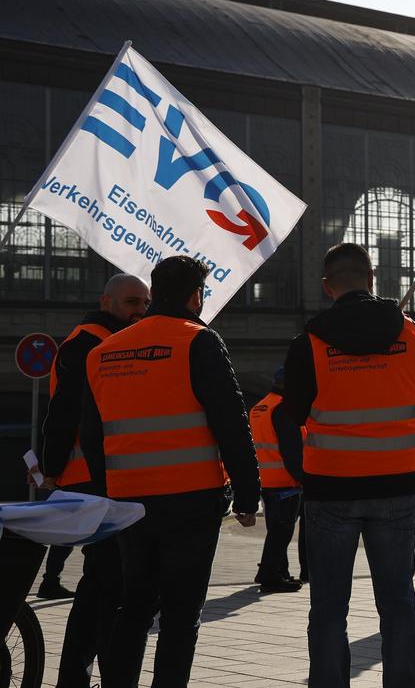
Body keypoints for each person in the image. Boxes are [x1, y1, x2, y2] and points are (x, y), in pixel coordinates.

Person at [81, 255, 260, 687]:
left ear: (155, 292)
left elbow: (91, 434)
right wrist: (249, 495)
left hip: (128, 501)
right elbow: (231, 422)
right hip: (191, 499)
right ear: (196, 295)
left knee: (134, 605)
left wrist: (107, 492)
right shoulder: (198, 340)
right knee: (181, 614)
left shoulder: (103, 352)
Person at [274, 242, 415, 686]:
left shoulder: (309, 341)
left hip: (331, 487)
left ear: (328, 286)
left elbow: (292, 412)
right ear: (372, 279)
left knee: (329, 607)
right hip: (396, 486)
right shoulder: (410, 334)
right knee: (398, 602)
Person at [37, 272, 149, 687]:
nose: (140, 311)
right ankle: (102, 675)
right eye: (131, 303)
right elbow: (64, 413)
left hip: (107, 478)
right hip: (92, 480)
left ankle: (78, 675)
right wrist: (51, 470)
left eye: (145, 303)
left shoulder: (110, 341)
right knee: (110, 585)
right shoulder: (88, 344)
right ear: (107, 303)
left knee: (100, 584)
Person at [248, 368, 306, 593]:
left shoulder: (260, 407)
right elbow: (292, 451)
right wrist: (303, 479)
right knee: (282, 531)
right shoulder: (285, 409)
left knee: (276, 529)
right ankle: (269, 575)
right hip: (285, 480)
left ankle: (279, 571)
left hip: (267, 479)